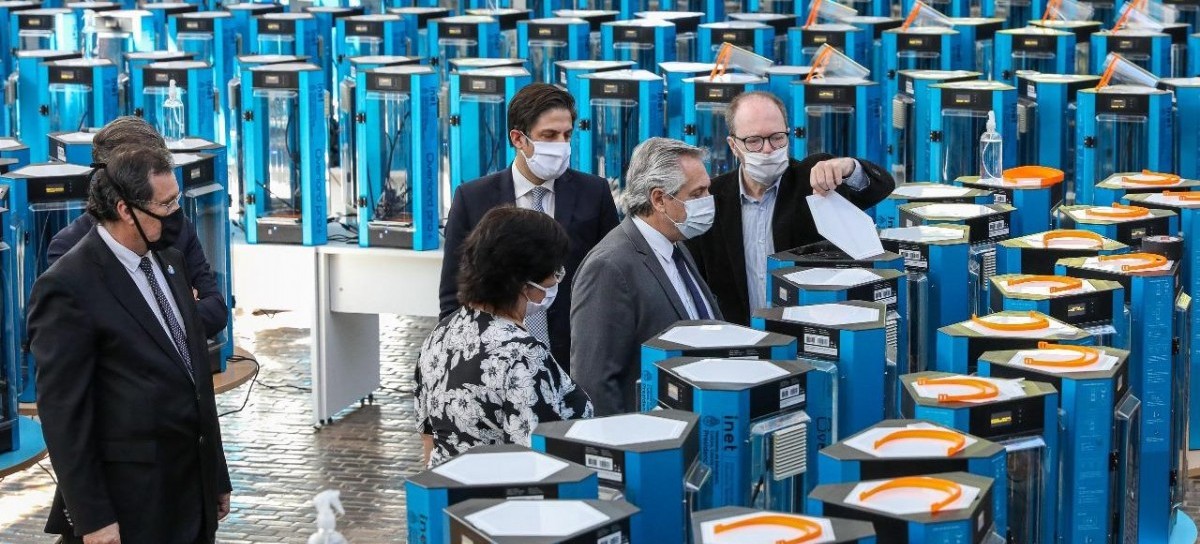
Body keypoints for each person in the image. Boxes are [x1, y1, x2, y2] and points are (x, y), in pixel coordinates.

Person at [28, 145, 232, 544]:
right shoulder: (69, 286)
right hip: (131, 508)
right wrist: (93, 517)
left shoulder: (168, 260)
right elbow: (64, 414)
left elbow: (194, 381)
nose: (178, 214)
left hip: (191, 498)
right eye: (167, 204)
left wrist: (216, 474)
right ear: (125, 210)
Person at [438, 83, 620, 373]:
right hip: (496, 363)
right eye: (549, 135)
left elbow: (611, 277)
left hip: (574, 357)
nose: (561, 145)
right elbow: (453, 293)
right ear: (518, 139)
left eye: (567, 135)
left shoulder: (593, 193)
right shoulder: (473, 198)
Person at [686, 91, 895, 325]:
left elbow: (882, 185)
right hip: (740, 335)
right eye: (753, 141)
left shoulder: (812, 180)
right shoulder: (712, 199)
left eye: (777, 138)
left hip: (809, 331)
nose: (767, 150)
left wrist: (848, 166)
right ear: (733, 146)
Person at [418, 206, 593, 467]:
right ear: (524, 283)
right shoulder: (522, 355)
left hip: (454, 496)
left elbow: (429, 440)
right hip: (507, 500)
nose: (556, 281)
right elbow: (538, 461)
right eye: (554, 272)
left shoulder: (439, 335)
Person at [570, 138, 723, 416]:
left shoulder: (677, 245)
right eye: (697, 193)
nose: (708, 202)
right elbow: (594, 381)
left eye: (708, 191)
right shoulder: (609, 267)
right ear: (659, 199)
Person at [46, 116, 228, 340]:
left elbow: (217, 311)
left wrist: (157, 317)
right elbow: (92, 338)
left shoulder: (175, 228)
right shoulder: (69, 248)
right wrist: (181, 306)